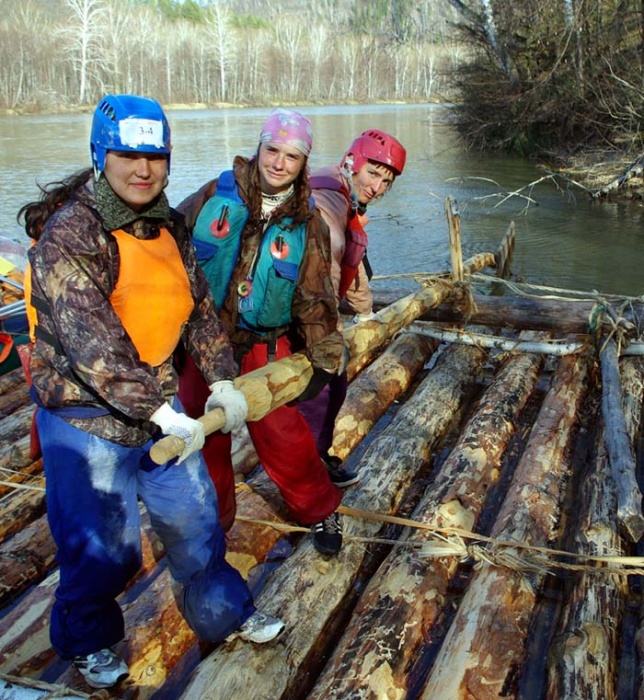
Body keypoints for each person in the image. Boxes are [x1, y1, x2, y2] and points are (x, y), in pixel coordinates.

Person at [18, 94, 283, 691]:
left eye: (155, 157)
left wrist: (222, 380)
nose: (143, 170)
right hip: (87, 419)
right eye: (127, 156)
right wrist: (164, 411)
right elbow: (95, 347)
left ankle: (225, 615)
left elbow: (198, 314)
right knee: (102, 550)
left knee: (196, 527)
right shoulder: (72, 234)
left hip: (158, 413)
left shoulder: (168, 223)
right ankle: (87, 642)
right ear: (99, 155)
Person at [176, 108, 346, 555]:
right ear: (259, 146)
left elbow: (314, 293)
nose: (278, 163)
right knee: (205, 432)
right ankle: (216, 520)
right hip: (204, 339)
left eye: (292, 156)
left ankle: (318, 508)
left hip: (262, 345)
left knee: (282, 433)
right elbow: (169, 245)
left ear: (303, 163)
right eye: (272, 150)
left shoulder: (307, 220)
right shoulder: (216, 192)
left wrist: (324, 355)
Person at [298, 129, 406, 485]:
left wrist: (364, 313)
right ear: (352, 162)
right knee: (318, 392)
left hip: (315, 315)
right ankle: (308, 474)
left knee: (337, 384)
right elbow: (325, 266)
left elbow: (353, 264)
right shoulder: (326, 200)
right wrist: (326, 331)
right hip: (300, 318)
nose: (378, 187)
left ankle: (317, 456)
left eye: (386, 181)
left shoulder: (348, 200)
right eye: (373, 173)